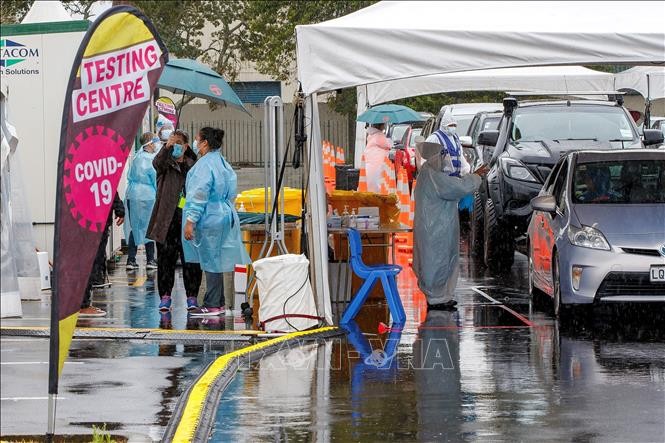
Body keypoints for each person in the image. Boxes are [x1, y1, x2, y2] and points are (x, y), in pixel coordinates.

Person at [183, 127, 251, 316]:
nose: (196, 142)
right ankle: (218, 302)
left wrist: (190, 221)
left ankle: (212, 303)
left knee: (211, 260)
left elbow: (199, 194)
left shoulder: (204, 165)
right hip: (223, 214)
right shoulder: (222, 162)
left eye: (198, 139)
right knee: (217, 259)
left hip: (209, 217)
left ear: (204, 142)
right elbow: (231, 190)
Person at [412, 142, 488, 310]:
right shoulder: (432, 175)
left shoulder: (429, 174)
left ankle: (441, 296)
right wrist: (475, 177)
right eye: (441, 155)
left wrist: (473, 176)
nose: (444, 159)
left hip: (434, 227)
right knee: (437, 261)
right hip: (435, 229)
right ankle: (436, 298)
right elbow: (456, 187)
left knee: (438, 260)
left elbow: (452, 184)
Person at [147, 129, 202, 312]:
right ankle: (165, 296)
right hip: (166, 219)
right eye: (173, 142)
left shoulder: (194, 166)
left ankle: (192, 296)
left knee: (191, 261)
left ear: (186, 146)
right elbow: (156, 163)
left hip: (187, 219)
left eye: (179, 143)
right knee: (165, 260)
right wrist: (166, 147)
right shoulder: (165, 163)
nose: (176, 146)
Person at [79, 193, 125, 317]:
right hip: (95, 219)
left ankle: (83, 302)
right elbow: (109, 186)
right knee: (90, 262)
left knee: (90, 261)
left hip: (90, 217)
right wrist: (119, 208)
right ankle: (82, 304)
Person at [125, 132, 159, 270]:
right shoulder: (152, 160)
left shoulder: (136, 158)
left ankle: (131, 260)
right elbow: (155, 179)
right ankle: (150, 260)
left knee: (135, 227)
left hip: (132, 195)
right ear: (150, 143)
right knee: (148, 227)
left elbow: (130, 175)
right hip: (148, 196)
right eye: (154, 141)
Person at [364, 123, 393, 193]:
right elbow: (388, 145)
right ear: (381, 126)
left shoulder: (371, 135)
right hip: (378, 162)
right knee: (378, 181)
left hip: (370, 161)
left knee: (370, 181)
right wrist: (390, 140)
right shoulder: (379, 135)